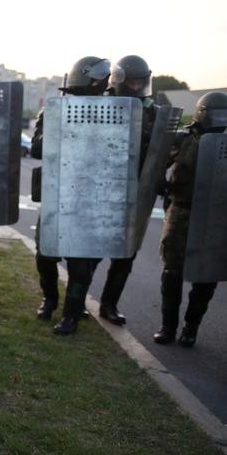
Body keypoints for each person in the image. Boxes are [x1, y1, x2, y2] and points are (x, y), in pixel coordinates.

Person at [152, 92, 227, 347]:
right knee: (172, 271)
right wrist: (159, 181)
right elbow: (156, 162)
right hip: (182, 210)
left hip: (216, 213)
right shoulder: (183, 138)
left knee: (207, 275)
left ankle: (191, 328)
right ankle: (168, 326)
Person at [44, 56, 111, 335]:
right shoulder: (56, 109)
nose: (103, 84)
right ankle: (49, 299)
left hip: (92, 198)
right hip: (57, 195)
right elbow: (38, 146)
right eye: (97, 79)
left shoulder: (112, 110)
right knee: (45, 257)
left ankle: (71, 314)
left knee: (82, 264)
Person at [96, 54, 157, 326]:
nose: (136, 87)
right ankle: (75, 306)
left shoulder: (152, 110)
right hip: (102, 189)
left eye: (140, 82)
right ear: (120, 81)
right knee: (89, 252)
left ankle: (109, 304)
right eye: (131, 82)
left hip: (136, 192)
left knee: (126, 255)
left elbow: (160, 149)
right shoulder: (101, 104)